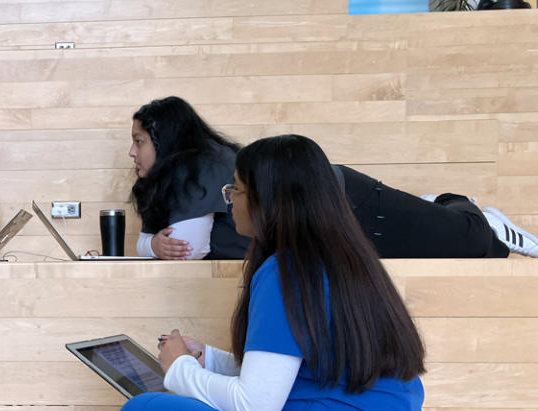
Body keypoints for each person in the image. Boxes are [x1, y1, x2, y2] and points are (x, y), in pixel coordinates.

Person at [76, 134, 427, 411]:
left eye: (236, 189)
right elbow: (306, 370)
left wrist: (179, 371)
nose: (229, 199)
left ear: (269, 200)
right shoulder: (353, 261)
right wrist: (211, 359)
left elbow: (256, 406)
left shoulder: (286, 272)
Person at [130, 96, 538, 259]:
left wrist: (150, 245)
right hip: (328, 228)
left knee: (472, 242)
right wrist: (151, 243)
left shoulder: (195, 168)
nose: (133, 153)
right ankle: (434, 205)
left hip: (349, 206)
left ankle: (474, 214)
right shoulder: (177, 178)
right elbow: (165, 243)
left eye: (140, 141)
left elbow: (189, 247)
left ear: (166, 141)